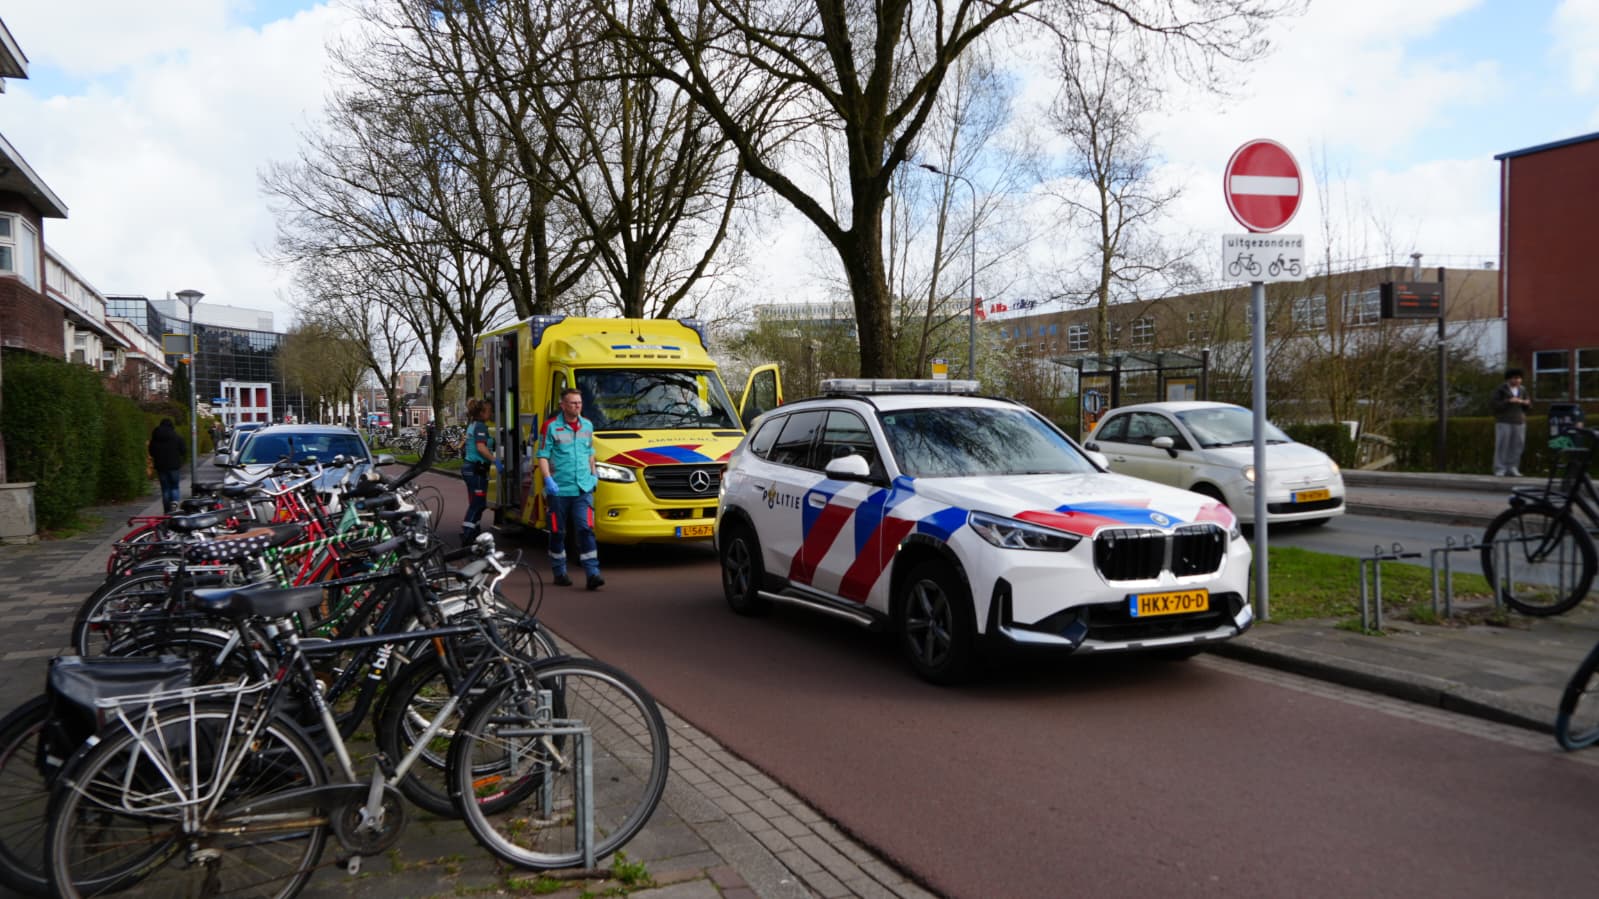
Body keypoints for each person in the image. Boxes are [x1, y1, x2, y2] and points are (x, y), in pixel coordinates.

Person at [537, 388, 604, 590]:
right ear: (563, 405)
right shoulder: (550, 427)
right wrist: (548, 480)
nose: (577, 406)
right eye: (573, 403)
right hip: (559, 490)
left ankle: (593, 573)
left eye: (579, 403)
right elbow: (542, 455)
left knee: (586, 529)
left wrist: (594, 474)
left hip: (583, 489)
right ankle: (559, 572)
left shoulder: (587, 425)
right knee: (558, 532)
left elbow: (589, 451)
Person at [460, 398, 502, 546]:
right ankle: (467, 534)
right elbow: (481, 447)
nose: (491, 413)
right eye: (489, 411)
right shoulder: (480, 427)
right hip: (475, 468)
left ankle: (474, 531)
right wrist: (495, 460)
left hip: (471, 468)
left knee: (477, 501)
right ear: (482, 412)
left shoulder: (473, 424)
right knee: (477, 503)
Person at [1491, 367, 1532, 477]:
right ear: (1509, 379)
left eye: (1519, 378)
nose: (1518, 381)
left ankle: (1513, 467)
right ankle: (1500, 468)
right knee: (1503, 445)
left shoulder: (1523, 390)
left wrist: (1525, 403)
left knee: (1518, 445)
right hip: (1504, 421)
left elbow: (1528, 405)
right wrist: (1508, 401)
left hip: (1519, 421)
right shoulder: (1501, 389)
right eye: (1515, 378)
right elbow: (1495, 405)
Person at [147, 418, 185, 513]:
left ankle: (167, 510)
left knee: (165, 489)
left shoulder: (155, 438)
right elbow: (183, 450)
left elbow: (151, 452)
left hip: (161, 466)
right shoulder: (177, 437)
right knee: (174, 486)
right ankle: (174, 505)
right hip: (174, 466)